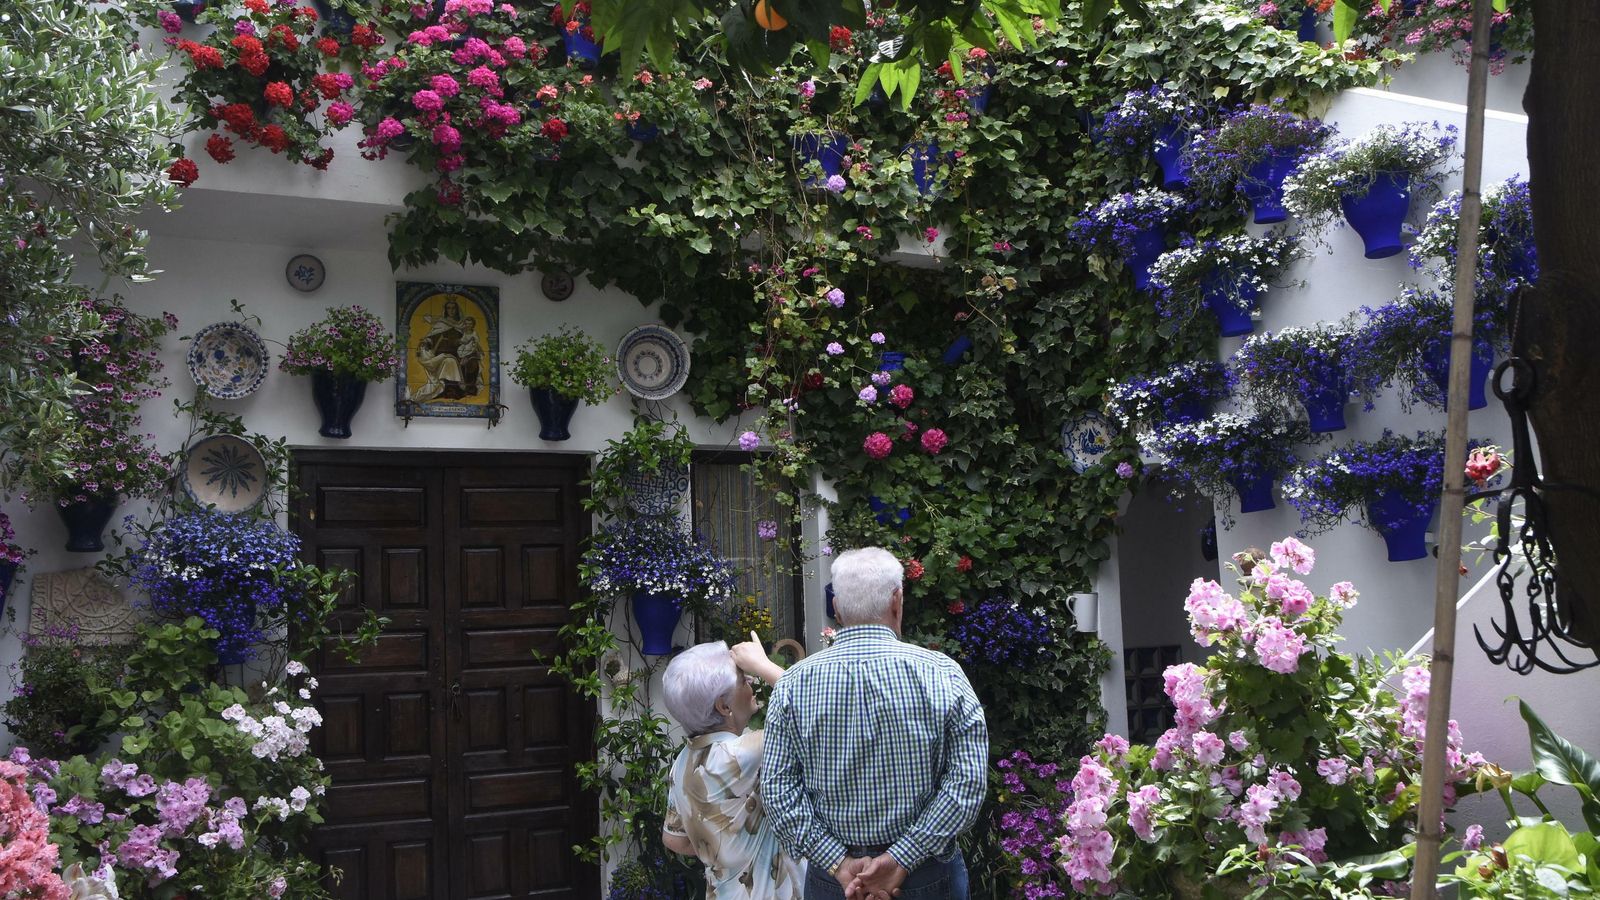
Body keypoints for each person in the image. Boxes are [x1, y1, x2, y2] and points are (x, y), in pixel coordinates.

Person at [762, 547, 988, 900]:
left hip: (835, 882)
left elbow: (778, 791)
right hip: (925, 875)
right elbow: (967, 782)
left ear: (835, 607)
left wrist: (837, 864)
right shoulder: (943, 674)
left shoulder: (794, 684)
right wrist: (902, 858)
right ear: (897, 600)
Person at [661, 640, 804, 900]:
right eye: (742, 679)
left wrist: (727, 847)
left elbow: (675, 839)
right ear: (724, 707)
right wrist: (764, 666)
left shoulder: (682, 762)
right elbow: (817, 706)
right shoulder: (746, 752)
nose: (750, 679)